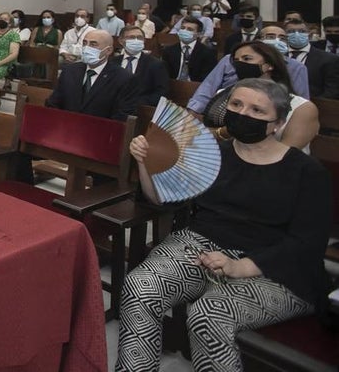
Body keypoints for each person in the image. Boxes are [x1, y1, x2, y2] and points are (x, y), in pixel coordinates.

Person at [116, 78, 331, 372]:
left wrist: (241, 266)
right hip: (202, 246)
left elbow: (308, 244)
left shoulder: (307, 172)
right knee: (140, 288)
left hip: (275, 267)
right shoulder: (211, 154)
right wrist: (144, 162)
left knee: (209, 314)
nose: (243, 114)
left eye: (257, 111)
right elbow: (159, 199)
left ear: (277, 124)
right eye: (236, 105)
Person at [213, 42, 319, 151]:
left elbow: (288, 154)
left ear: (269, 65)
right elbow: (206, 133)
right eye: (236, 61)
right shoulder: (225, 95)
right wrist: (225, 131)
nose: (240, 64)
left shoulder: (302, 108)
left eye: (247, 59)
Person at [187, 26, 312, 114]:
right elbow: (208, 87)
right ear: (258, 40)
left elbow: (299, 100)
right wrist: (193, 112)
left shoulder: (296, 67)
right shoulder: (228, 61)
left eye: (282, 38)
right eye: (271, 36)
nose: (276, 40)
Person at [47, 29, 137, 120]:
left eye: (93, 45)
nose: (87, 48)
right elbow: (53, 104)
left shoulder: (123, 78)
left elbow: (121, 116)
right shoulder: (70, 71)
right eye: (85, 43)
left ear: (108, 50)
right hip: (67, 127)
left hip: (100, 130)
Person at [111, 26, 168, 108]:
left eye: (140, 38)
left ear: (144, 41)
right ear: (121, 41)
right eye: (131, 37)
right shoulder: (113, 62)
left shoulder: (156, 64)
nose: (136, 40)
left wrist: (135, 103)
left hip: (140, 109)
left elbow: (161, 93)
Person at [284, 17, 339, 99]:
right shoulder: (278, 56)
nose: (297, 34)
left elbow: (332, 91)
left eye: (302, 31)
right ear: (285, 34)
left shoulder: (329, 59)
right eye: (291, 31)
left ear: (309, 33)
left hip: (314, 105)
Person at [161, 16, 217, 82]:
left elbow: (207, 79)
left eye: (190, 29)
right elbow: (164, 75)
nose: (185, 31)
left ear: (198, 34)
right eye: (182, 28)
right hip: (172, 86)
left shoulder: (208, 53)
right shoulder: (168, 51)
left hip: (195, 88)